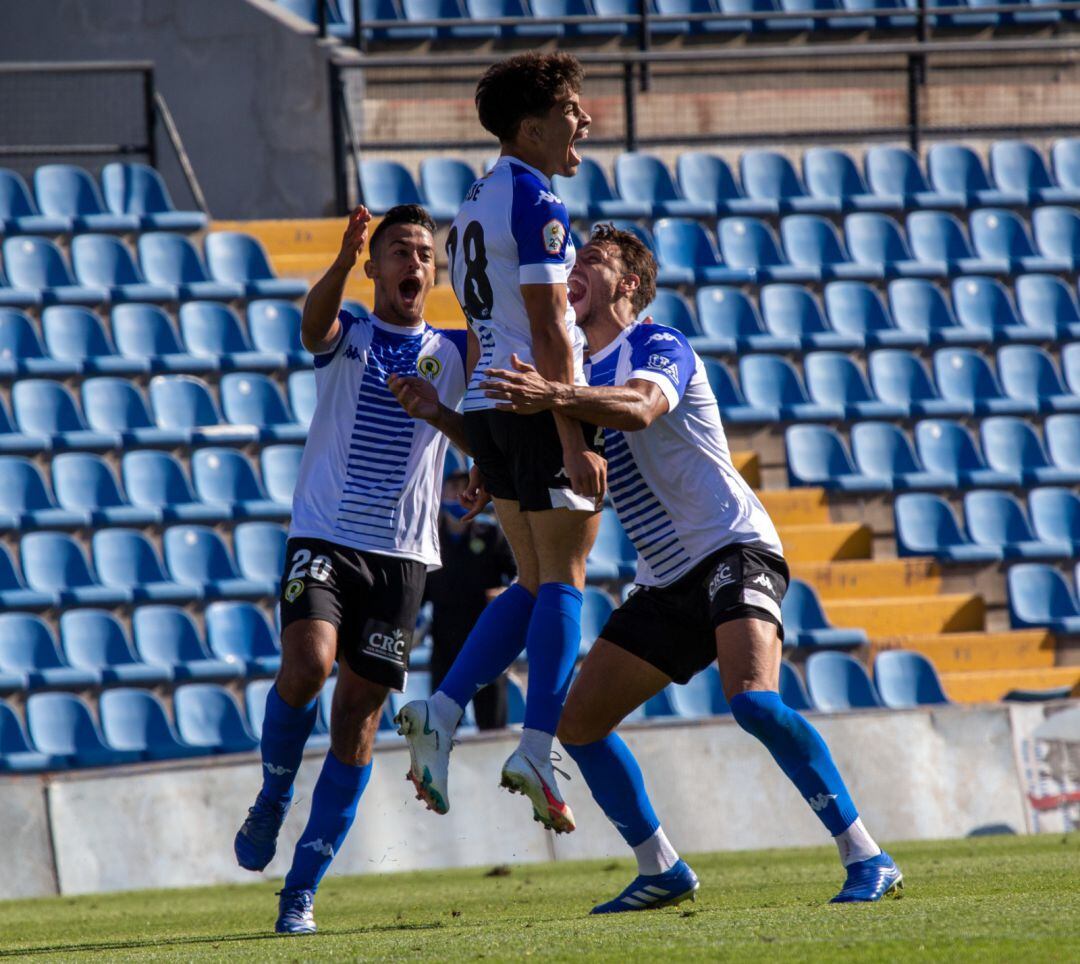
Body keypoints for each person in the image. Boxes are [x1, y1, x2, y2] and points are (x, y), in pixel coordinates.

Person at [479, 224, 904, 910]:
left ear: (628, 284)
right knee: (579, 725)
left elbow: (643, 411)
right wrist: (484, 468)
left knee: (754, 701)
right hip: (666, 578)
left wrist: (555, 398)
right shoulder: (576, 372)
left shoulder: (657, 344)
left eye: (592, 259)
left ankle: (868, 856)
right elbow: (570, 469)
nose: (573, 268)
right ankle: (662, 868)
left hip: (733, 548)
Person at [233, 203, 473, 935]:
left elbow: (492, 420)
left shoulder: (458, 351)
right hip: (325, 540)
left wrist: (474, 451)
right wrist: (338, 259)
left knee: (356, 725)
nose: (414, 264)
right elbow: (311, 327)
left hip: (402, 560)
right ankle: (274, 790)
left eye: (425, 255)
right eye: (399, 251)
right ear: (375, 267)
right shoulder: (350, 335)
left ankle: (300, 892)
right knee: (307, 666)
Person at [392, 52, 605, 834]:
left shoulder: (475, 200)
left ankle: (442, 712)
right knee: (565, 578)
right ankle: (539, 743)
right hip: (533, 403)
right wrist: (572, 428)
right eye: (573, 108)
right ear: (533, 124)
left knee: (529, 579)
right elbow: (550, 326)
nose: (585, 120)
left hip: (491, 403)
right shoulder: (537, 203)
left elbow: (485, 334)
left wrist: (481, 446)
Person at [425, 465, 517, 730]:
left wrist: (503, 594)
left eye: (464, 487)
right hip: (445, 639)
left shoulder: (491, 536)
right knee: (440, 726)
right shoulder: (429, 539)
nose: (458, 494)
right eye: (452, 487)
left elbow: (520, 575)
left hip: (486, 635)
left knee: (492, 723)